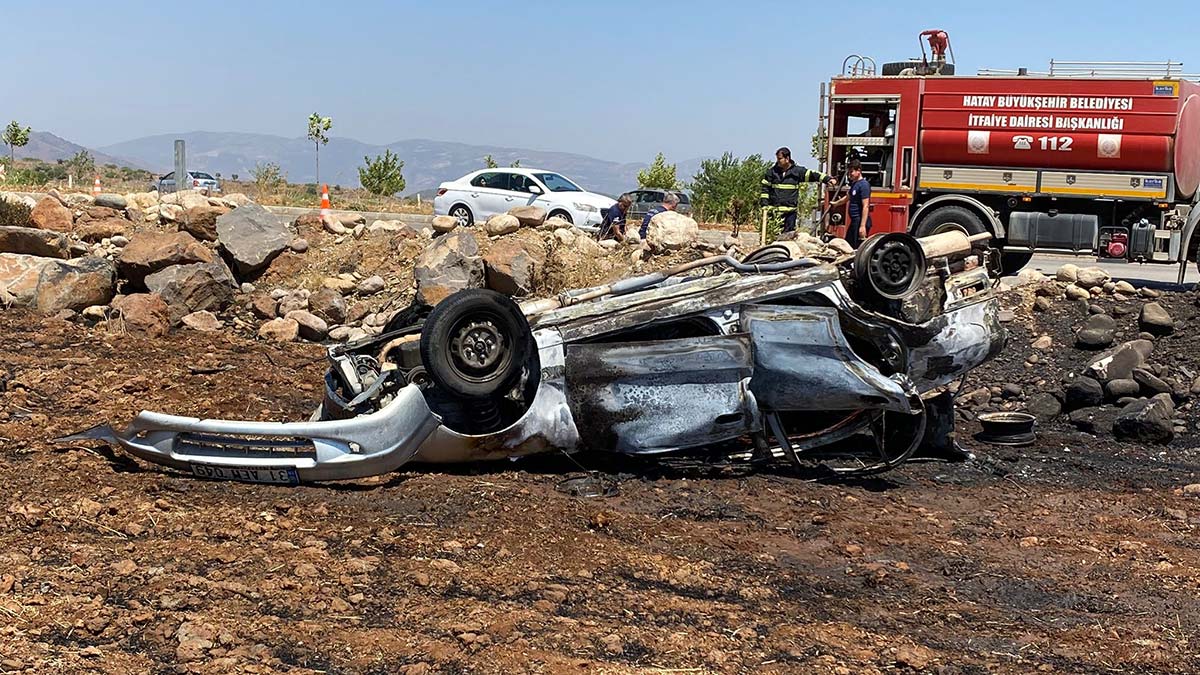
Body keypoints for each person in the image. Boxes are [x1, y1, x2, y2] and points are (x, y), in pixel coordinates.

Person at [761, 147, 837, 234]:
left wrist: (828, 179)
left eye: (780, 159)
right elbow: (765, 189)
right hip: (774, 213)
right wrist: (764, 206)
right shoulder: (771, 172)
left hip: (790, 214)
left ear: (787, 158)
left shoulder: (797, 172)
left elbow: (813, 175)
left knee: (788, 237)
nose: (778, 161)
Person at [831, 160, 871, 248]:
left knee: (857, 247)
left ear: (858, 171)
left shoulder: (864, 185)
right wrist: (836, 204)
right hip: (854, 221)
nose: (850, 174)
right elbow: (847, 197)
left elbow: (866, 206)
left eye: (851, 172)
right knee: (848, 245)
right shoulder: (855, 184)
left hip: (860, 221)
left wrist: (862, 226)